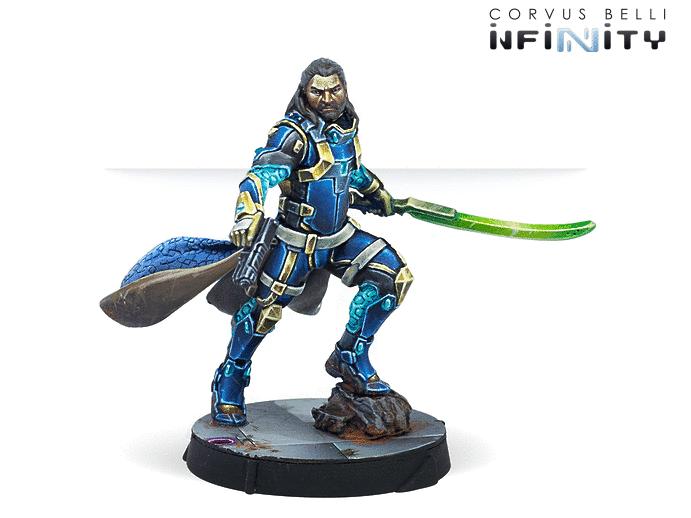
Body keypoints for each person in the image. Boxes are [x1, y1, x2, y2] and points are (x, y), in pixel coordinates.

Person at [212, 58, 414, 425]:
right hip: (296, 243)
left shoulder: (346, 129)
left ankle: (349, 355)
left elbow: (352, 171)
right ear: (304, 93)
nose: (328, 99)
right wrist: (247, 212)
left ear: (345, 89)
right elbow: (259, 176)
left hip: (340, 237)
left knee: (393, 277)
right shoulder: (293, 134)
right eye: (318, 92)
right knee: (263, 312)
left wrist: (377, 193)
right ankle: (232, 375)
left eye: (335, 90)